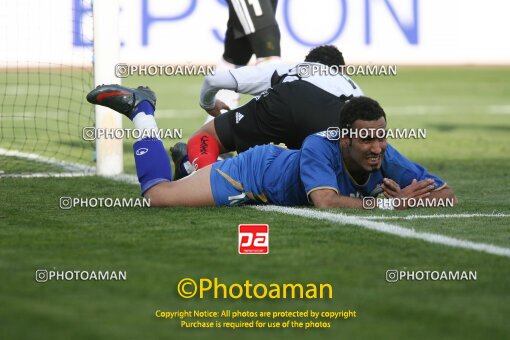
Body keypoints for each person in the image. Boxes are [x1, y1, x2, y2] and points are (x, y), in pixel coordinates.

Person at [86, 86, 457, 209]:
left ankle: (189, 163)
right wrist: (394, 201)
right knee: (158, 197)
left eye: (381, 137)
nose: (376, 148)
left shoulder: (384, 152)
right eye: (366, 139)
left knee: (190, 177)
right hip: (253, 174)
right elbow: (325, 202)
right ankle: (142, 110)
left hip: (269, 184)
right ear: (344, 138)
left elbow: (448, 194)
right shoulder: (318, 145)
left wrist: (420, 196)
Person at [174, 45, 363, 179]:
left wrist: (208, 104)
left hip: (286, 101)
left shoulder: (295, 69)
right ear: (341, 70)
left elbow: (212, 80)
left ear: (308, 64)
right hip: (336, 121)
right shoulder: (354, 88)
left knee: (205, 136)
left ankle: (202, 177)